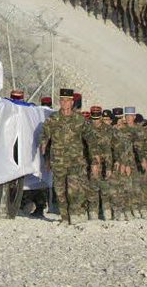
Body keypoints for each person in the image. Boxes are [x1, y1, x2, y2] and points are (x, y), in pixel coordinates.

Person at [40, 88, 92, 224]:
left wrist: (94, 159)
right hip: (58, 161)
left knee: (73, 189)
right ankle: (64, 217)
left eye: (67, 101)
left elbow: (90, 139)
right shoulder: (53, 119)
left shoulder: (79, 119)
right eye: (62, 100)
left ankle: (75, 213)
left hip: (75, 161)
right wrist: (45, 155)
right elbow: (45, 138)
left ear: (72, 102)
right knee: (60, 190)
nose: (64, 103)